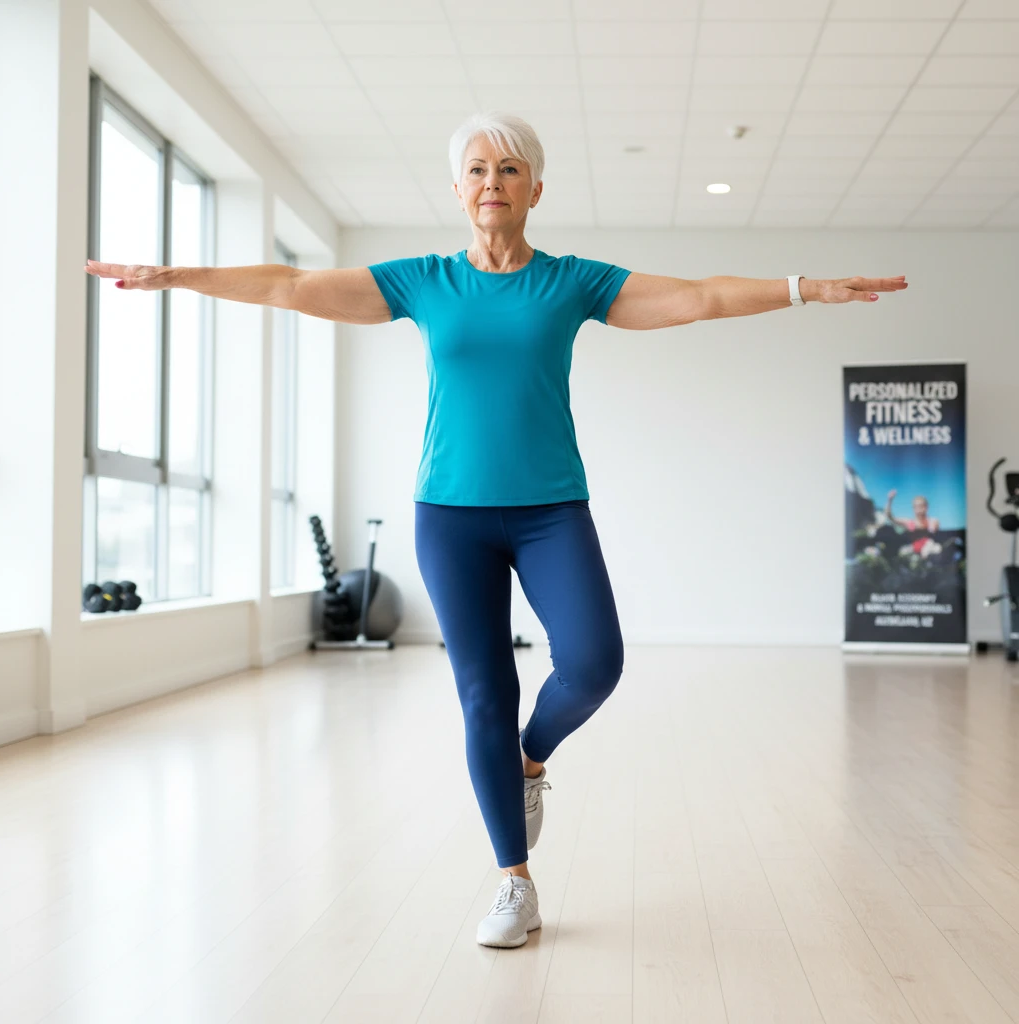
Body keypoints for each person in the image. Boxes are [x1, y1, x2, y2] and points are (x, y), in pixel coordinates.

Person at [85, 111, 909, 949]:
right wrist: (180, 275)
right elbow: (292, 288)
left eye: (509, 170)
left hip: (552, 509)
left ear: (535, 191)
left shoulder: (572, 283)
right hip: (450, 516)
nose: (491, 182)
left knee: (593, 663)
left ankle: (530, 759)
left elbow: (697, 299)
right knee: (484, 693)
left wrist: (803, 288)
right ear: (457, 189)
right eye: (476, 170)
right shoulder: (424, 281)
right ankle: (515, 881)